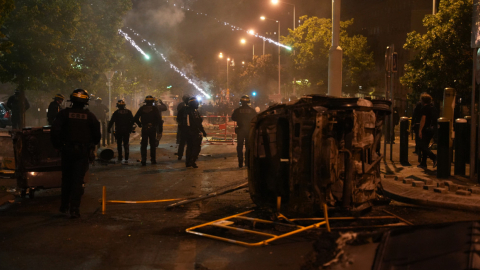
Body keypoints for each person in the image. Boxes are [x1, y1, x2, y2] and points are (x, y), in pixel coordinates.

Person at [51, 89, 101, 218]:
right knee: (78, 180)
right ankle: (75, 208)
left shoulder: (63, 114)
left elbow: (55, 131)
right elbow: (97, 136)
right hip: (82, 152)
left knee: (66, 178)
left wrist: (58, 146)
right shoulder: (90, 116)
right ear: (85, 102)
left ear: (71, 101)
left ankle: (64, 206)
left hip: (66, 151)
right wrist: (91, 145)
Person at [134, 95, 160, 166]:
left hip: (144, 128)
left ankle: (143, 160)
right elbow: (159, 119)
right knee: (152, 145)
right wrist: (155, 126)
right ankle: (153, 160)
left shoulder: (142, 108)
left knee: (143, 145)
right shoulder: (155, 109)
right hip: (152, 129)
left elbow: (135, 118)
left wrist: (140, 124)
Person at [232, 95, 257, 168]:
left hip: (240, 130)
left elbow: (233, 118)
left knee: (239, 146)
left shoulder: (237, 110)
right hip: (249, 130)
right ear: (248, 102)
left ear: (241, 102)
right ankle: (247, 162)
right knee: (248, 146)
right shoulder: (252, 110)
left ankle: (240, 163)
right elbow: (255, 118)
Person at [182, 97, 207, 168]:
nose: (198, 104)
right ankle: (192, 161)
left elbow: (198, 123)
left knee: (190, 147)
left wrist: (202, 131)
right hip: (192, 132)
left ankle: (189, 161)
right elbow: (193, 123)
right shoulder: (190, 112)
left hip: (191, 132)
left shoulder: (191, 111)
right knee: (195, 147)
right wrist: (201, 131)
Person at [418, 93, 437, 169]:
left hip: (426, 129)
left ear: (423, 101)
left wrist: (420, 130)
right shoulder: (433, 108)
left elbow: (423, 119)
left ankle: (434, 157)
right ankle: (423, 163)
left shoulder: (424, 108)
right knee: (425, 145)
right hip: (432, 129)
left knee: (422, 145)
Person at [176, 95, 190, 160]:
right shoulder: (190, 108)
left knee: (182, 142)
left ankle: (180, 155)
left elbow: (178, 118)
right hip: (187, 128)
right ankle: (188, 156)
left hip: (183, 128)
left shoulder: (181, 107)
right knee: (188, 143)